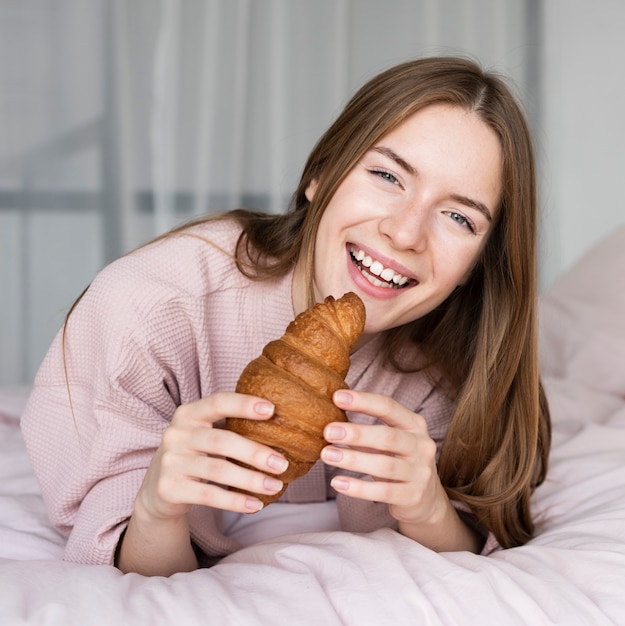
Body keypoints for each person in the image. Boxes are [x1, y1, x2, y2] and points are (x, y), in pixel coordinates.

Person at [21, 56, 551, 577]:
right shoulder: (150, 303)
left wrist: (429, 509)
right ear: (320, 175)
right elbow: (118, 561)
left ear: (479, 262)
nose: (406, 233)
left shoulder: (458, 359)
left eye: (459, 217)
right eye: (388, 176)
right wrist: (159, 509)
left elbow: (483, 536)